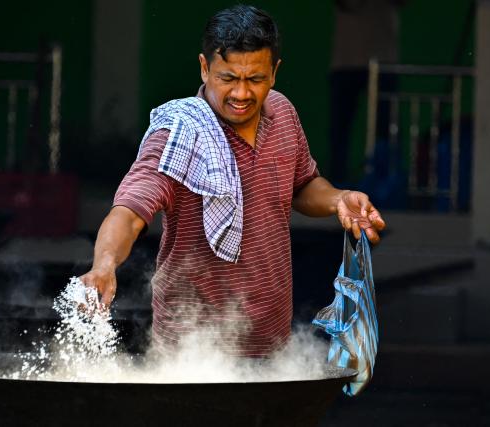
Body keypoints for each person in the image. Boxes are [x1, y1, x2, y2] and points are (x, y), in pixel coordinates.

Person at [79, 5, 386, 358]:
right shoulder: (178, 133)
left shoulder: (283, 113)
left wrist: (339, 199)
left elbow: (303, 184)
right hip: (191, 350)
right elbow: (131, 211)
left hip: (272, 344)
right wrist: (104, 264)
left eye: (255, 79)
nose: (241, 94)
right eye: (228, 78)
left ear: (274, 73)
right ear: (204, 68)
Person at [329, 0, 406, 183]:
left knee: (387, 127)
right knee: (340, 129)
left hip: (382, 60)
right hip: (346, 61)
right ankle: (337, 181)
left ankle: (387, 181)